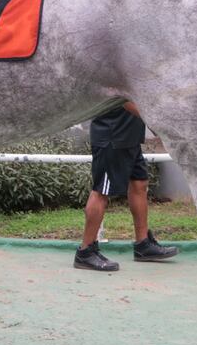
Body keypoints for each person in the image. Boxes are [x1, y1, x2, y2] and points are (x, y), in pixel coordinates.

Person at [73, 103, 180, 271]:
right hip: (112, 137)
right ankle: (85, 252)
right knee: (102, 191)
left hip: (129, 138)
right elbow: (126, 99)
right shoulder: (113, 77)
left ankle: (143, 245)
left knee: (139, 183)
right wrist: (158, 123)